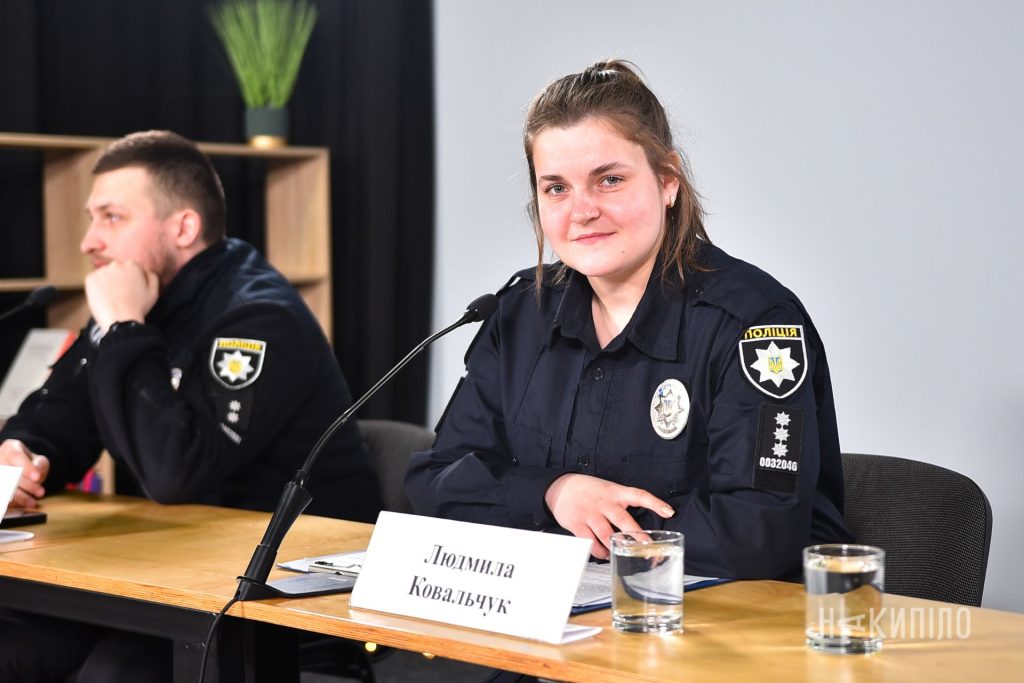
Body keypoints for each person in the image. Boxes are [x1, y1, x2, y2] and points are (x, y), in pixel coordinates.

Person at [406, 60, 853, 583]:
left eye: (609, 180)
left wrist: (580, 526)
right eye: (556, 188)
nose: (582, 211)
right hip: (556, 631)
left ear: (668, 181)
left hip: (720, 638)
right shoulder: (519, 315)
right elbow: (434, 484)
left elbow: (757, 536)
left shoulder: (756, 324)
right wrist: (554, 493)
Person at [0, 130, 382, 681]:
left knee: (114, 674)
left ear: (183, 226)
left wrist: (125, 328)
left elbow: (178, 475)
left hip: (281, 585)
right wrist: (25, 451)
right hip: (164, 572)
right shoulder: (134, 302)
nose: (88, 241)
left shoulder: (256, 318)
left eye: (111, 217)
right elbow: (62, 414)